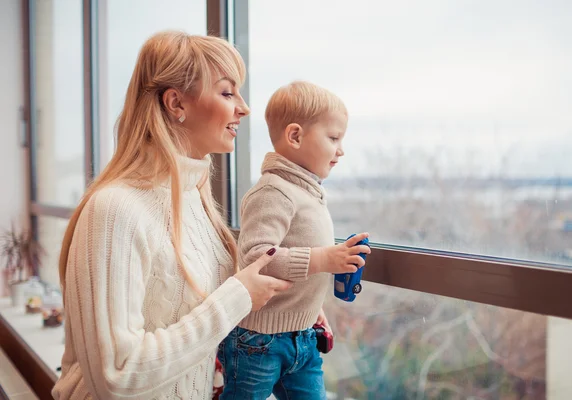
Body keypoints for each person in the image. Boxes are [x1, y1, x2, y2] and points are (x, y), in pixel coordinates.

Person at [51, 31, 291, 400]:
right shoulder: (115, 209)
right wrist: (239, 296)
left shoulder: (197, 202)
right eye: (227, 92)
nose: (243, 108)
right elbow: (117, 375)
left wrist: (294, 311)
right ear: (176, 103)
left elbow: (204, 316)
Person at [218, 81, 370, 399]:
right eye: (333, 138)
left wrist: (311, 307)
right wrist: (324, 259)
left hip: (302, 337)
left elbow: (298, 258)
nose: (341, 150)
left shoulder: (306, 192)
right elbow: (255, 256)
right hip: (258, 341)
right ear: (296, 136)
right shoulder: (273, 191)